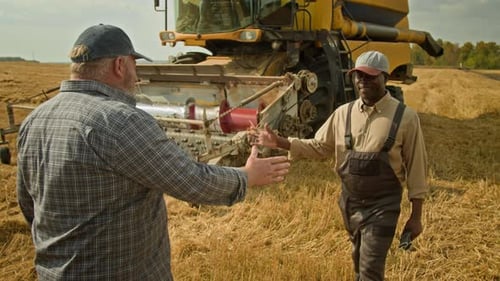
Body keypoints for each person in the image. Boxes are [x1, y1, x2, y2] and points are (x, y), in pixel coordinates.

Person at [16, 24, 290, 280]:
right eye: (135, 63)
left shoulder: (36, 119)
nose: (137, 73)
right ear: (120, 65)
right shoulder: (121, 121)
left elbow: (28, 204)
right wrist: (247, 176)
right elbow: (192, 182)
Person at [251, 50, 428, 281]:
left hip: (383, 206)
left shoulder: (405, 117)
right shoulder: (343, 113)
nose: (363, 82)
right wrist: (280, 142)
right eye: (359, 76)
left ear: (385, 77)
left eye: (371, 77)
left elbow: (417, 167)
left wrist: (416, 216)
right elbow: (319, 146)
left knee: (370, 270)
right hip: (349, 204)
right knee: (358, 264)